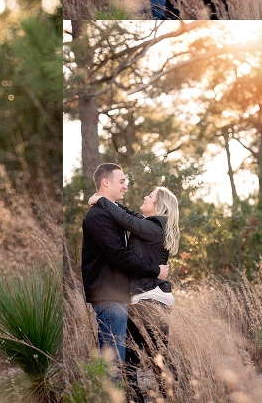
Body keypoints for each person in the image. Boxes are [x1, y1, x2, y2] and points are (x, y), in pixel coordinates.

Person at [88, 186, 180, 403]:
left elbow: (126, 220)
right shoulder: (151, 225)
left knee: (145, 358)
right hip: (148, 300)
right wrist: (110, 202)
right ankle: (143, 397)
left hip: (150, 301)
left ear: (158, 206)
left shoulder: (156, 226)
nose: (146, 197)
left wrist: (101, 200)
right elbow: (129, 215)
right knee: (143, 357)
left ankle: (169, 395)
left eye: (150, 196)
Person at [81, 163, 169, 376]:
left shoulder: (111, 213)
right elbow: (118, 255)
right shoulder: (99, 216)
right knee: (114, 362)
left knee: (121, 360)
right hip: (108, 295)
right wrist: (154, 270)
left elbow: (129, 217)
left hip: (117, 295)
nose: (125, 186)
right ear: (106, 182)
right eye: (121, 181)